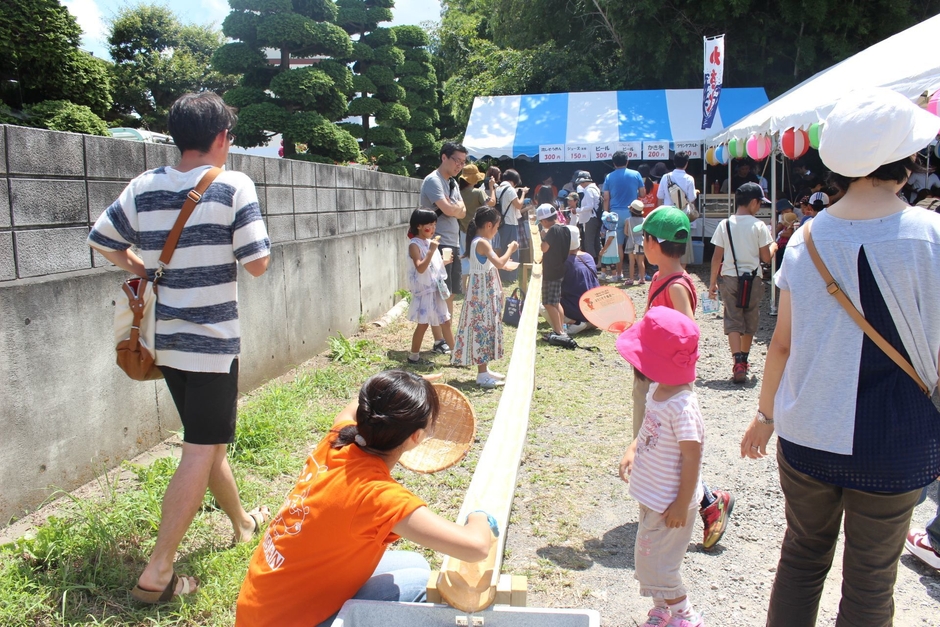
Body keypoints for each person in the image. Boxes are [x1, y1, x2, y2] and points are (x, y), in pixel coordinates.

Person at [740, 88, 940, 627]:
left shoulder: (805, 239)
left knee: (802, 557)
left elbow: (781, 343)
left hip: (808, 432)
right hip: (897, 438)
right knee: (873, 578)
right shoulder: (931, 237)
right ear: (907, 162)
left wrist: (764, 416)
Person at [87, 92, 272, 603]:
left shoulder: (145, 185)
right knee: (199, 448)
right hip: (212, 345)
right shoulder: (234, 183)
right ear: (220, 138)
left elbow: (101, 238)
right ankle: (158, 572)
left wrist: (143, 268)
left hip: (165, 342)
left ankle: (240, 522)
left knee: (206, 440)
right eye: (230, 138)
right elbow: (256, 262)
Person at [236, 370, 498, 626]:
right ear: (416, 437)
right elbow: (476, 547)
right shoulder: (378, 496)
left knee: (415, 563)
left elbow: (356, 406)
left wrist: (397, 386)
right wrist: (478, 516)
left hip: (261, 609)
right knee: (418, 584)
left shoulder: (337, 443)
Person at [633, 207, 735, 552]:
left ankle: (706, 502)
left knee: (667, 447)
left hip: (666, 382)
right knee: (659, 445)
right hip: (654, 376)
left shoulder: (677, 285)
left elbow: (686, 336)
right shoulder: (660, 278)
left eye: (643, 239)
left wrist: (666, 376)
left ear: (652, 243)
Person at [617, 306, 706, 627]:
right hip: (653, 496)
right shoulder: (659, 390)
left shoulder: (682, 405)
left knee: (658, 563)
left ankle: (686, 616)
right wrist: (633, 448)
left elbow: (693, 456)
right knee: (649, 555)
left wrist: (682, 503)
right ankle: (661, 608)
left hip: (670, 503)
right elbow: (647, 429)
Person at [708, 182, 776, 383]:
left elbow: (716, 257)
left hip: (729, 278)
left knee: (733, 319)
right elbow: (765, 257)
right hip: (753, 279)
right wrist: (773, 246)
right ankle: (745, 360)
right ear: (754, 202)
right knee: (750, 319)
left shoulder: (725, 224)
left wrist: (712, 283)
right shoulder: (759, 226)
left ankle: (737, 361)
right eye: (760, 203)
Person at [452, 207, 518, 388]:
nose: (497, 230)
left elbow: (494, 265)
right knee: (482, 329)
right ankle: (482, 375)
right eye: (497, 226)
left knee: (486, 328)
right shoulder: (482, 242)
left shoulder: (479, 241)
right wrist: (510, 249)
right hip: (481, 295)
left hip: (483, 292)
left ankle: (485, 369)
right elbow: (499, 262)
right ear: (489, 225)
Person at [420, 142, 468, 356]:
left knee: (449, 293)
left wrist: (453, 208)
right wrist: (453, 208)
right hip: (438, 243)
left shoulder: (453, 184)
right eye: (457, 160)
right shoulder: (433, 181)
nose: (460, 165)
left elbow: (463, 211)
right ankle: (440, 340)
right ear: (444, 157)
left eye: (463, 162)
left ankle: (448, 336)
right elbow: (449, 209)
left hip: (452, 241)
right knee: (439, 293)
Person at [405, 209, 453, 366]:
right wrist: (432, 251)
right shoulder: (414, 245)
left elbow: (430, 266)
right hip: (425, 291)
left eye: (434, 225)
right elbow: (420, 268)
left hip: (436, 288)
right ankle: (413, 357)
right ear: (419, 226)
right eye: (429, 225)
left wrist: (443, 262)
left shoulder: (428, 242)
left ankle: (456, 355)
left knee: (445, 321)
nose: (433, 229)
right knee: (424, 323)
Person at [602, 151, 646, 281]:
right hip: (632, 213)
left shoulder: (609, 176)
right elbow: (643, 194)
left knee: (618, 245)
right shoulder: (636, 174)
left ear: (614, 163)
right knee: (637, 242)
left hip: (615, 214)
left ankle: (618, 273)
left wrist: (606, 213)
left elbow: (606, 198)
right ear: (627, 161)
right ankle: (640, 274)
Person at [537, 203, 572, 341]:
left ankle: (559, 332)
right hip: (560, 268)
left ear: (545, 221)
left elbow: (544, 248)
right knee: (556, 302)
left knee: (548, 303)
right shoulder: (566, 229)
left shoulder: (552, 231)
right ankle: (561, 329)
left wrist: (543, 237)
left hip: (551, 271)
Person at [658, 152, 698, 268]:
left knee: (667, 243)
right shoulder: (689, 179)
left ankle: (667, 270)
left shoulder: (666, 177)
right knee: (682, 243)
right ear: (686, 164)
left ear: (674, 162)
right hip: (682, 216)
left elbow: (660, 197)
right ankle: (681, 272)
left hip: (668, 214)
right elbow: (691, 198)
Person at [560, 225, 599, 335]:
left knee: (544, 305)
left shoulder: (564, 262)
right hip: (595, 313)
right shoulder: (588, 256)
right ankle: (587, 324)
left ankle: (576, 323)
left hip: (577, 310)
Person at [493, 169, 528, 283]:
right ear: (515, 180)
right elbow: (518, 205)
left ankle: (502, 274)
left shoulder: (497, 188)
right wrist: (523, 193)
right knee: (512, 249)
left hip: (499, 223)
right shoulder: (510, 190)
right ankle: (511, 276)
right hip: (510, 222)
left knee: (502, 248)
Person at [576, 173, 602, 261]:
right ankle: (599, 262)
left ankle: (591, 262)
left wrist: (577, 210)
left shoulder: (589, 190)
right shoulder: (595, 189)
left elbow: (589, 206)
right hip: (595, 218)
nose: (580, 185)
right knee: (596, 241)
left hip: (590, 218)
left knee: (589, 242)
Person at [623, 199, 647, 285]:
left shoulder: (628, 220)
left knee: (631, 262)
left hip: (631, 241)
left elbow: (625, 232)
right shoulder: (644, 220)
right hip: (640, 241)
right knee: (641, 262)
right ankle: (642, 278)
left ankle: (631, 279)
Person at [599, 211, 621, 280]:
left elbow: (608, 242)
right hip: (607, 251)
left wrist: (603, 250)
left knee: (612, 264)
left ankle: (614, 276)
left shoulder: (612, 233)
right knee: (603, 263)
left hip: (610, 251)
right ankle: (603, 275)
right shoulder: (609, 232)